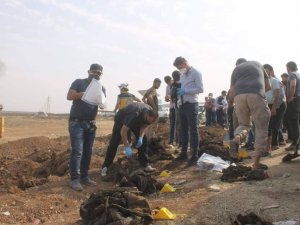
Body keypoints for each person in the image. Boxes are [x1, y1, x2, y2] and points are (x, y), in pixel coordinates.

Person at [67, 63, 106, 191]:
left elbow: (102, 106)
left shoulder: (101, 88)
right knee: (78, 151)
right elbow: (70, 96)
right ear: (88, 71)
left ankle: (84, 177)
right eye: (94, 71)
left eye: (99, 73)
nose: (97, 74)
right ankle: (74, 179)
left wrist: (100, 100)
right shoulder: (79, 82)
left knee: (88, 152)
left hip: (91, 123)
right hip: (77, 122)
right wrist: (85, 94)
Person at [229, 58, 271, 169]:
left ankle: (237, 137)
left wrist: (230, 104)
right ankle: (256, 163)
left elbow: (232, 90)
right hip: (256, 95)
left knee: (244, 124)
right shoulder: (258, 63)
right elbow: (268, 86)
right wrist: (259, 93)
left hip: (239, 97)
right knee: (261, 128)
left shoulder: (236, 69)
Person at [101, 102, 158, 177]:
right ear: (146, 115)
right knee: (114, 143)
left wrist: (140, 138)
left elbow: (144, 126)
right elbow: (123, 131)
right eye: (149, 120)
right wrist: (127, 146)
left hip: (136, 121)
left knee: (144, 140)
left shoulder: (151, 114)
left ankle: (145, 165)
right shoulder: (134, 113)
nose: (150, 122)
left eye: (152, 121)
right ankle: (106, 167)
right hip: (121, 121)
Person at [173, 56, 204, 164]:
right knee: (183, 130)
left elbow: (200, 89)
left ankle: (194, 155)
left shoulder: (196, 73)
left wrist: (185, 91)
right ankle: (184, 153)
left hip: (191, 104)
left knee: (193, 130)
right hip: (182, 104)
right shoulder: (182, 75)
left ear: (185, 63)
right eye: (178, 68)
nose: (179, 69)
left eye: (180, 67)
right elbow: (181, 88)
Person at [263, 64, 286, 151]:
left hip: (279, 104)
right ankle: (268, 146)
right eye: (263, 70)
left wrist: (274, 108)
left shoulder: (274, 81)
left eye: (266, 70)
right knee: (268, 125)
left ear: (270, 71)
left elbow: (277, 95)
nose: (264, 72)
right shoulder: (262, 82)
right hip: (269, 105)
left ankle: (274, 144)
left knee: (275, 125)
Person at [283, 61, 300, 161]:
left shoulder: (292, 75)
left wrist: (289, 97)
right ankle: (295, 144)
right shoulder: (298, 74)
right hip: (298, 100)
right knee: (295, 121)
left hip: (294, 100)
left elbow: (293, 86)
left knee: (290, 121)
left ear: (288, 67)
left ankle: (294, 144)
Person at [164, 76, 176, 145]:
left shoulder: (177, 84)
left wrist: (171, 97)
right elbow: (167, 97)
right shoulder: (167, 87)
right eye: (167, 82)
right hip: (171, 107)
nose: (168, 83)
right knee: (172, 124)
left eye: (169, 82)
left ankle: (178, 140)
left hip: (178, 107)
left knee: (178, 124)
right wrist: (166, 98)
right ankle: (171, 140)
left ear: (171, 79)